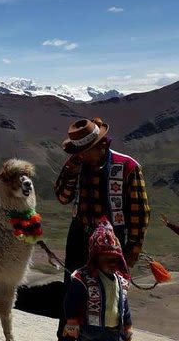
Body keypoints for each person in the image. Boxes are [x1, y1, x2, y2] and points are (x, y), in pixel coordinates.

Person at [54, 117, 150, 340]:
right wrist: (70, 170)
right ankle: (67, 336)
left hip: (111, 244)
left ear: (103, 145)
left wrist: (133, 247)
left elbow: (139, 211)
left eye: (86, 150)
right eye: (79, 151)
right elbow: (62, 197)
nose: (82, 155)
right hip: (79, 236)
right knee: (74, 288)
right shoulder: (76, 164)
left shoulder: (127, 167)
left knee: (109, 292)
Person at [62, 218, 133, 341]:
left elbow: (124, 305)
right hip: (89, 332)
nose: (112, 263)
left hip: (114, 332)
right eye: (106, 259)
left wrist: (127, 325)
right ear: (96, 258)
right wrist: (72, 321)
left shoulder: (121, 281)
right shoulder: (84, 279)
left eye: (115, 259)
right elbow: (72, 301)